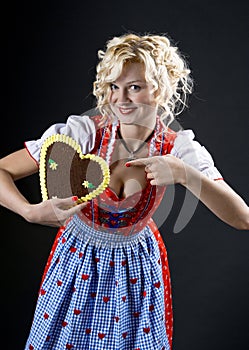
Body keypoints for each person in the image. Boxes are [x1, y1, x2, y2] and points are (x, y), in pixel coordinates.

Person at [1, 33, 248, 350]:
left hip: (136, 267)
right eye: (113, 87)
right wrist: (30, 211)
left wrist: (185, 175)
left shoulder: (180, 148)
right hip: (76, 259)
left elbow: (243, 218)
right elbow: (2, 170)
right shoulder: (84, 133)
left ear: (158, 89)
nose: (120, 99)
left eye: (134, 87)